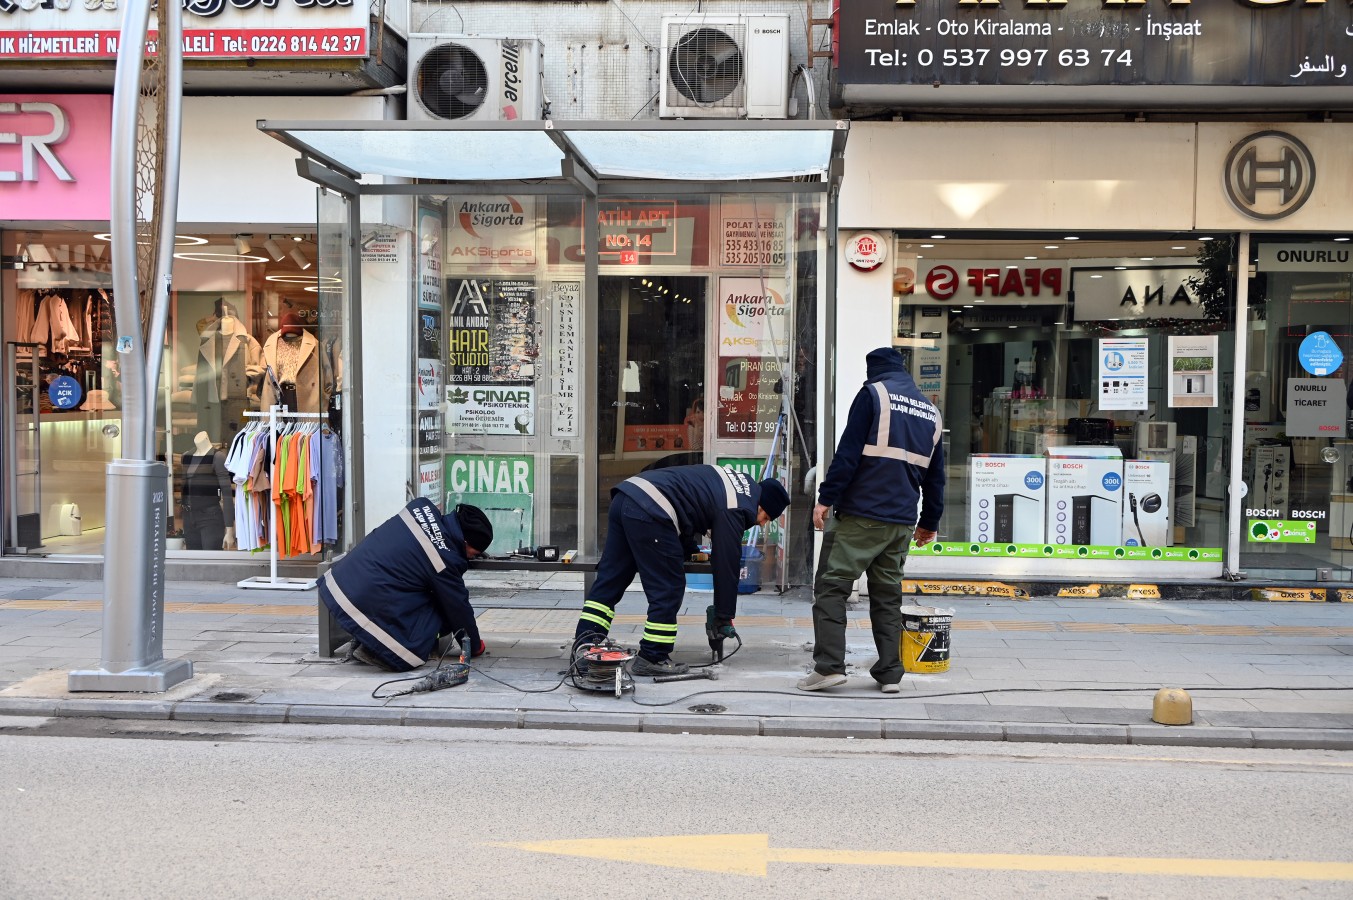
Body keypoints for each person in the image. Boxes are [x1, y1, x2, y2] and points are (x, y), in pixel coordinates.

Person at [798, 346, 945, 694]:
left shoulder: (873, 394)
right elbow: (935, 477)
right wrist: (929, 521)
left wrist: (825, 499)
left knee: (831, 588)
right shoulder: (930, 411)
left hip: (861, 516)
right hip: (901, 523)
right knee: (887, 596)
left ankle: (829, 667)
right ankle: (891, 673)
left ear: (873, 370)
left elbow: (847, 454)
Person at [574, 465, 791, 676]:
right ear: (762, 506)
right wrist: (724, 615)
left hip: (627, 496)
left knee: (611, 580)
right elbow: (727, 562)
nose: (762, 524)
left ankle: (584, 648)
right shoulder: (739, 506)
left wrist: (690, 549)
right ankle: (653, 657)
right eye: (766, 519)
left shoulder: (736, 484)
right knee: (668, 587)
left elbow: (687, 504)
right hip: (651, 510)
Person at [322, 499, 494, 672]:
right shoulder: (444, 558)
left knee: (409, 586)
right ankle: (379, 651)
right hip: (365, 598)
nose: (472, 558)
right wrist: (475, 645)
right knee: (439, 608)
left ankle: (362, 637)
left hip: (340, 583)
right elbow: (458, 607)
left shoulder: (419, 508)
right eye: (475, 553)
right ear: (465, 542)